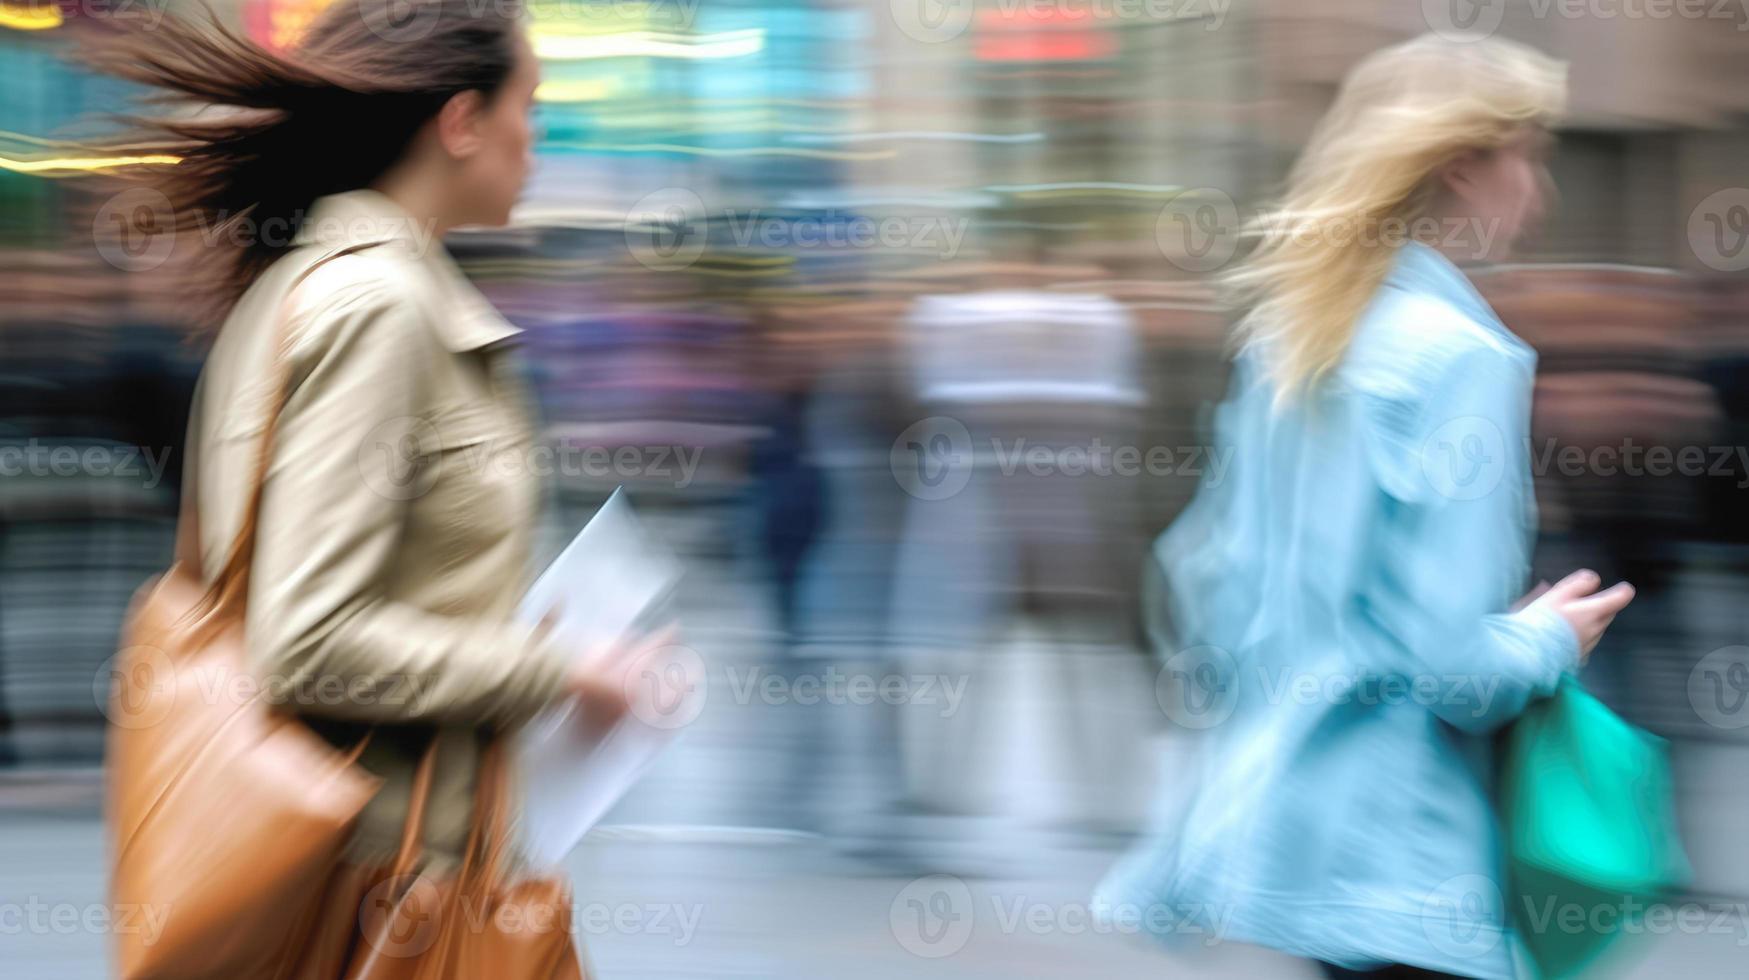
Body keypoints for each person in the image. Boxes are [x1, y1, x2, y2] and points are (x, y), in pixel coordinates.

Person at [83, 0, 664, 969]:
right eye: (531, 101)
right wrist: (559, 668)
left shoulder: (312, 283)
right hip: (388, 889)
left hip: (403, 867)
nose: (540, 133)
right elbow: (310, 635)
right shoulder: (379, 306)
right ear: (461, 120)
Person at [1097, 34, 1636, 980]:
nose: (1537, 196)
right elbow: (1450, 666)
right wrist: (1550, 636)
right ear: (1465, 166)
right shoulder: (1461, 357)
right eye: (1529, 161)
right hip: (1404, 852)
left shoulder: (1291, 338)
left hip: (1293, 831)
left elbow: (1207, 580)